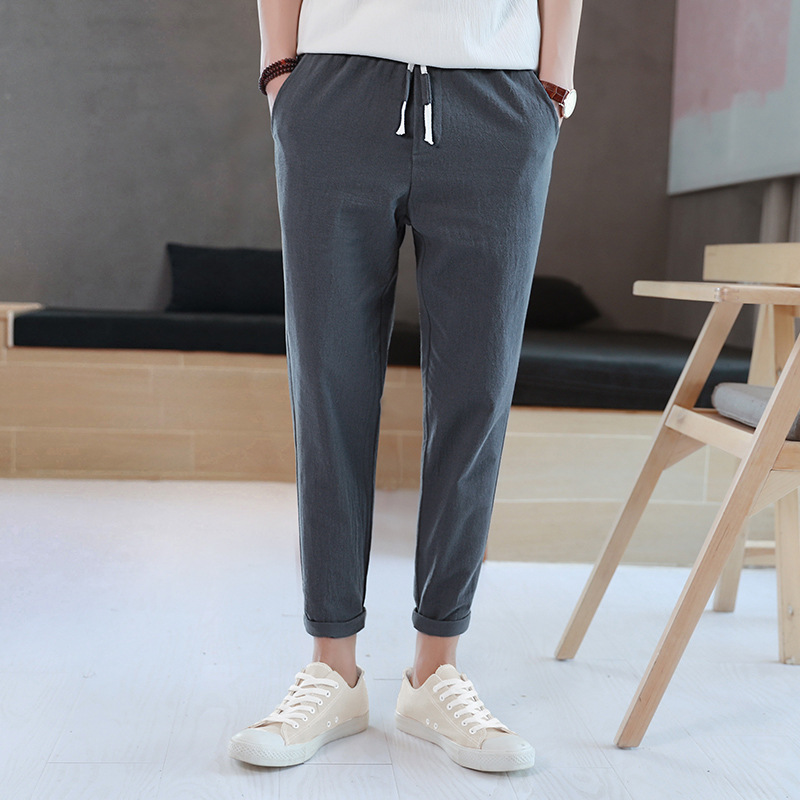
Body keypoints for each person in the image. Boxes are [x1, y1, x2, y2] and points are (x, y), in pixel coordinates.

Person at [229, 0, 583, 773]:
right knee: (327, 387)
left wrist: (553, 85)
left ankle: (435, 670)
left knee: (477, 395)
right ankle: (333, 669)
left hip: (499, 100)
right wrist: (280, 70)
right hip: (335, 92)